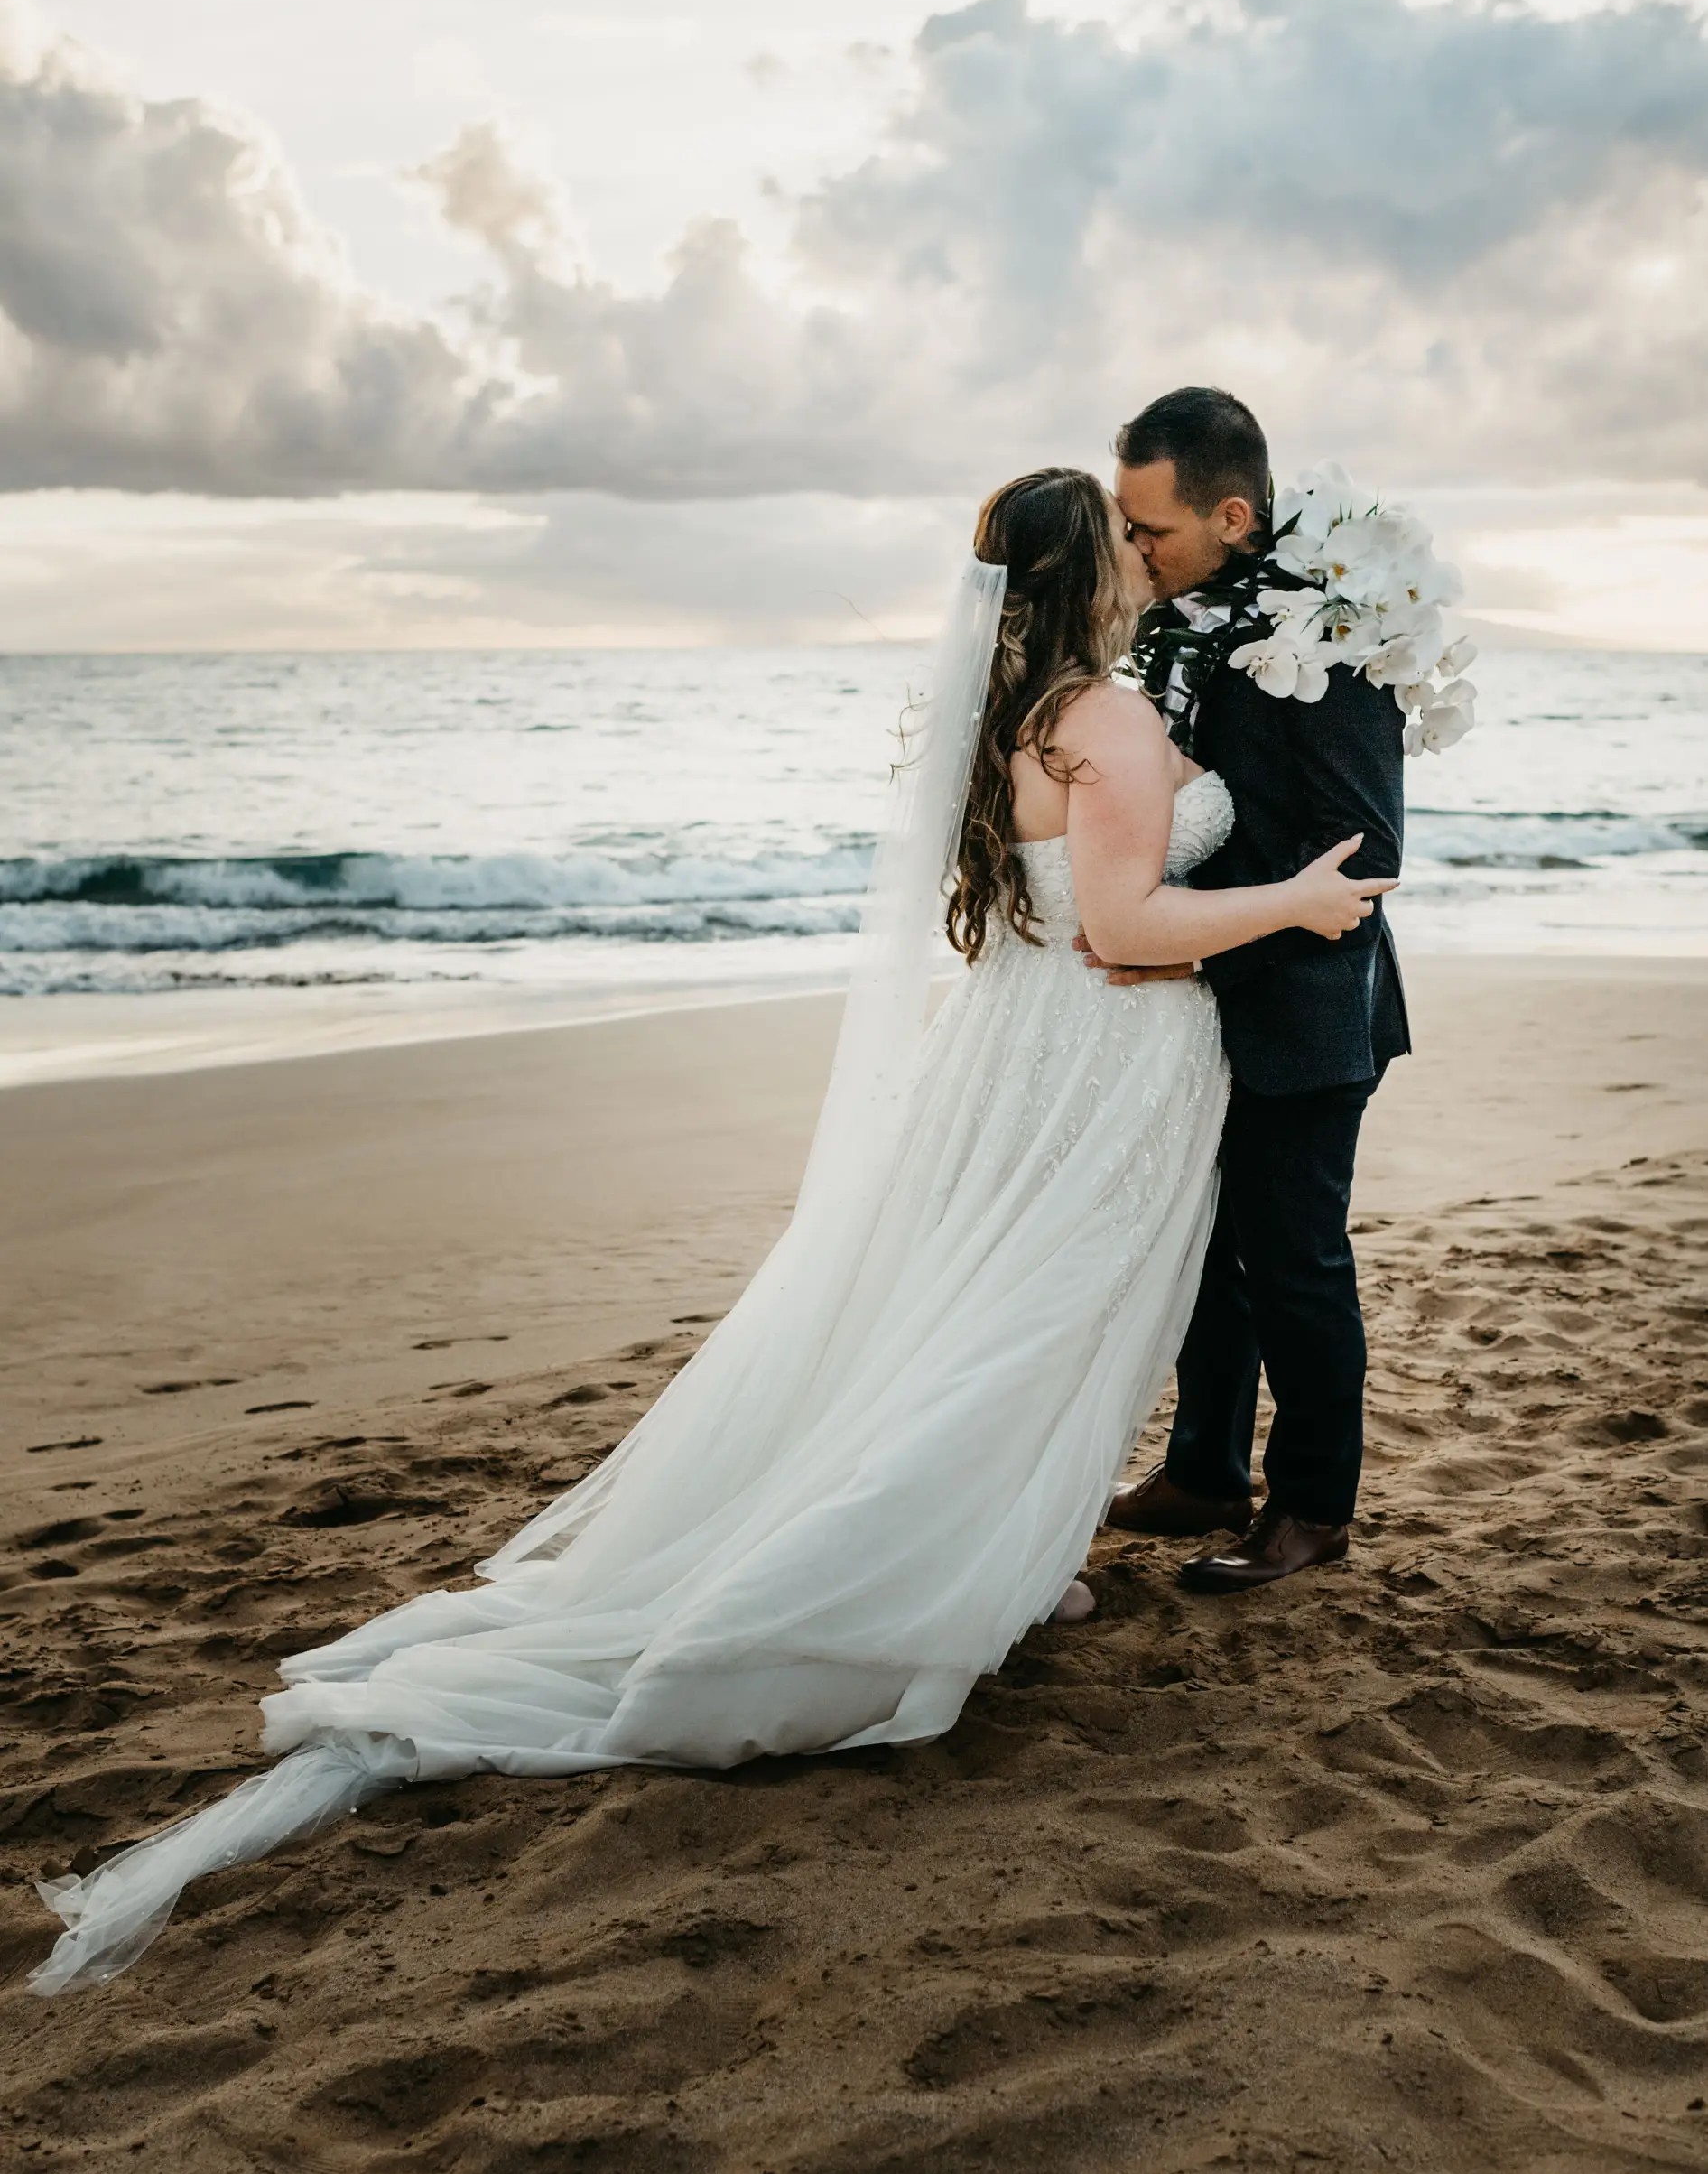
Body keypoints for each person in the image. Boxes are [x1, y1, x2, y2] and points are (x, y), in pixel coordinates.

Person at [31, 466, 1389, 1996]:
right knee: (1036, 1315)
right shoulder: (1111, 718)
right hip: (1095, 1059)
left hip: (1009, 1053)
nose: (1150, 555)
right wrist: (1292, 902)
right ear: (1093, 574)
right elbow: (1122, 928)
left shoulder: (1012, 715)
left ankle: (1000, 1547)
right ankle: (935, 1566)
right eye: (1127, 539)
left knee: (960, 1308)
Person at [1097, 387, 1410, 1593]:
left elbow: (1366, 852)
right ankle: (1206, 1472)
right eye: (1123, 527)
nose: (1133, 552)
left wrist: (1189, 924)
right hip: (1198, 1005)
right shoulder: (1180, 634)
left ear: (1233, 515)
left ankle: (1313, 1512)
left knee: (1294, 1262)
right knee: (1203, 1251)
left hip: (1306, 1012)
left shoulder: (1321, 643)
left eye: (1151, 530)